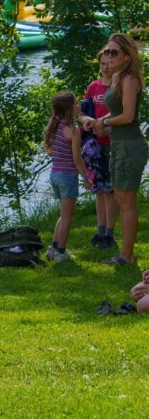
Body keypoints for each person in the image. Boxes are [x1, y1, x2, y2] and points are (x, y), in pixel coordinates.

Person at [90, 33, 147, 266]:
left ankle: (126, 255)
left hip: (130, 146)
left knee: (126, 202)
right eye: (108, 51)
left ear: (126, 56)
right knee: (121, 199)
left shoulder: (130, 79)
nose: (109, 56)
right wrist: (101, 123)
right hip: (119, 144)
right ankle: (125, 253)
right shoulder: (117, 78)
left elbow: (128, 116)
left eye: (114, 52)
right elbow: (116, 114)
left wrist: (104, 123)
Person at [43, 91, 90, 261]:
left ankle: (53, 248)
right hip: (68, 176)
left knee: (64, 214)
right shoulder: (73, 130)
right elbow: (77, 158)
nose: (79, 105)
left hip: (55, 174)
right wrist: (85, 178)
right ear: (69, 109)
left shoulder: (56, 127)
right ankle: (61, 253)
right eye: (77, 103)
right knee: (67, 217)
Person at [82, 48, 116, 248]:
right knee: (99, 190)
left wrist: (107, 127)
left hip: (111, 143)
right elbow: (82, 112)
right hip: (94, 146)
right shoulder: (93, 87)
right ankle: (100, 229)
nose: (106, 67)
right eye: (102, 64)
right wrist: (86, 119)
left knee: (111, 190)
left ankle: (110, 234)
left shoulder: (119, 86)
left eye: (109, 63)